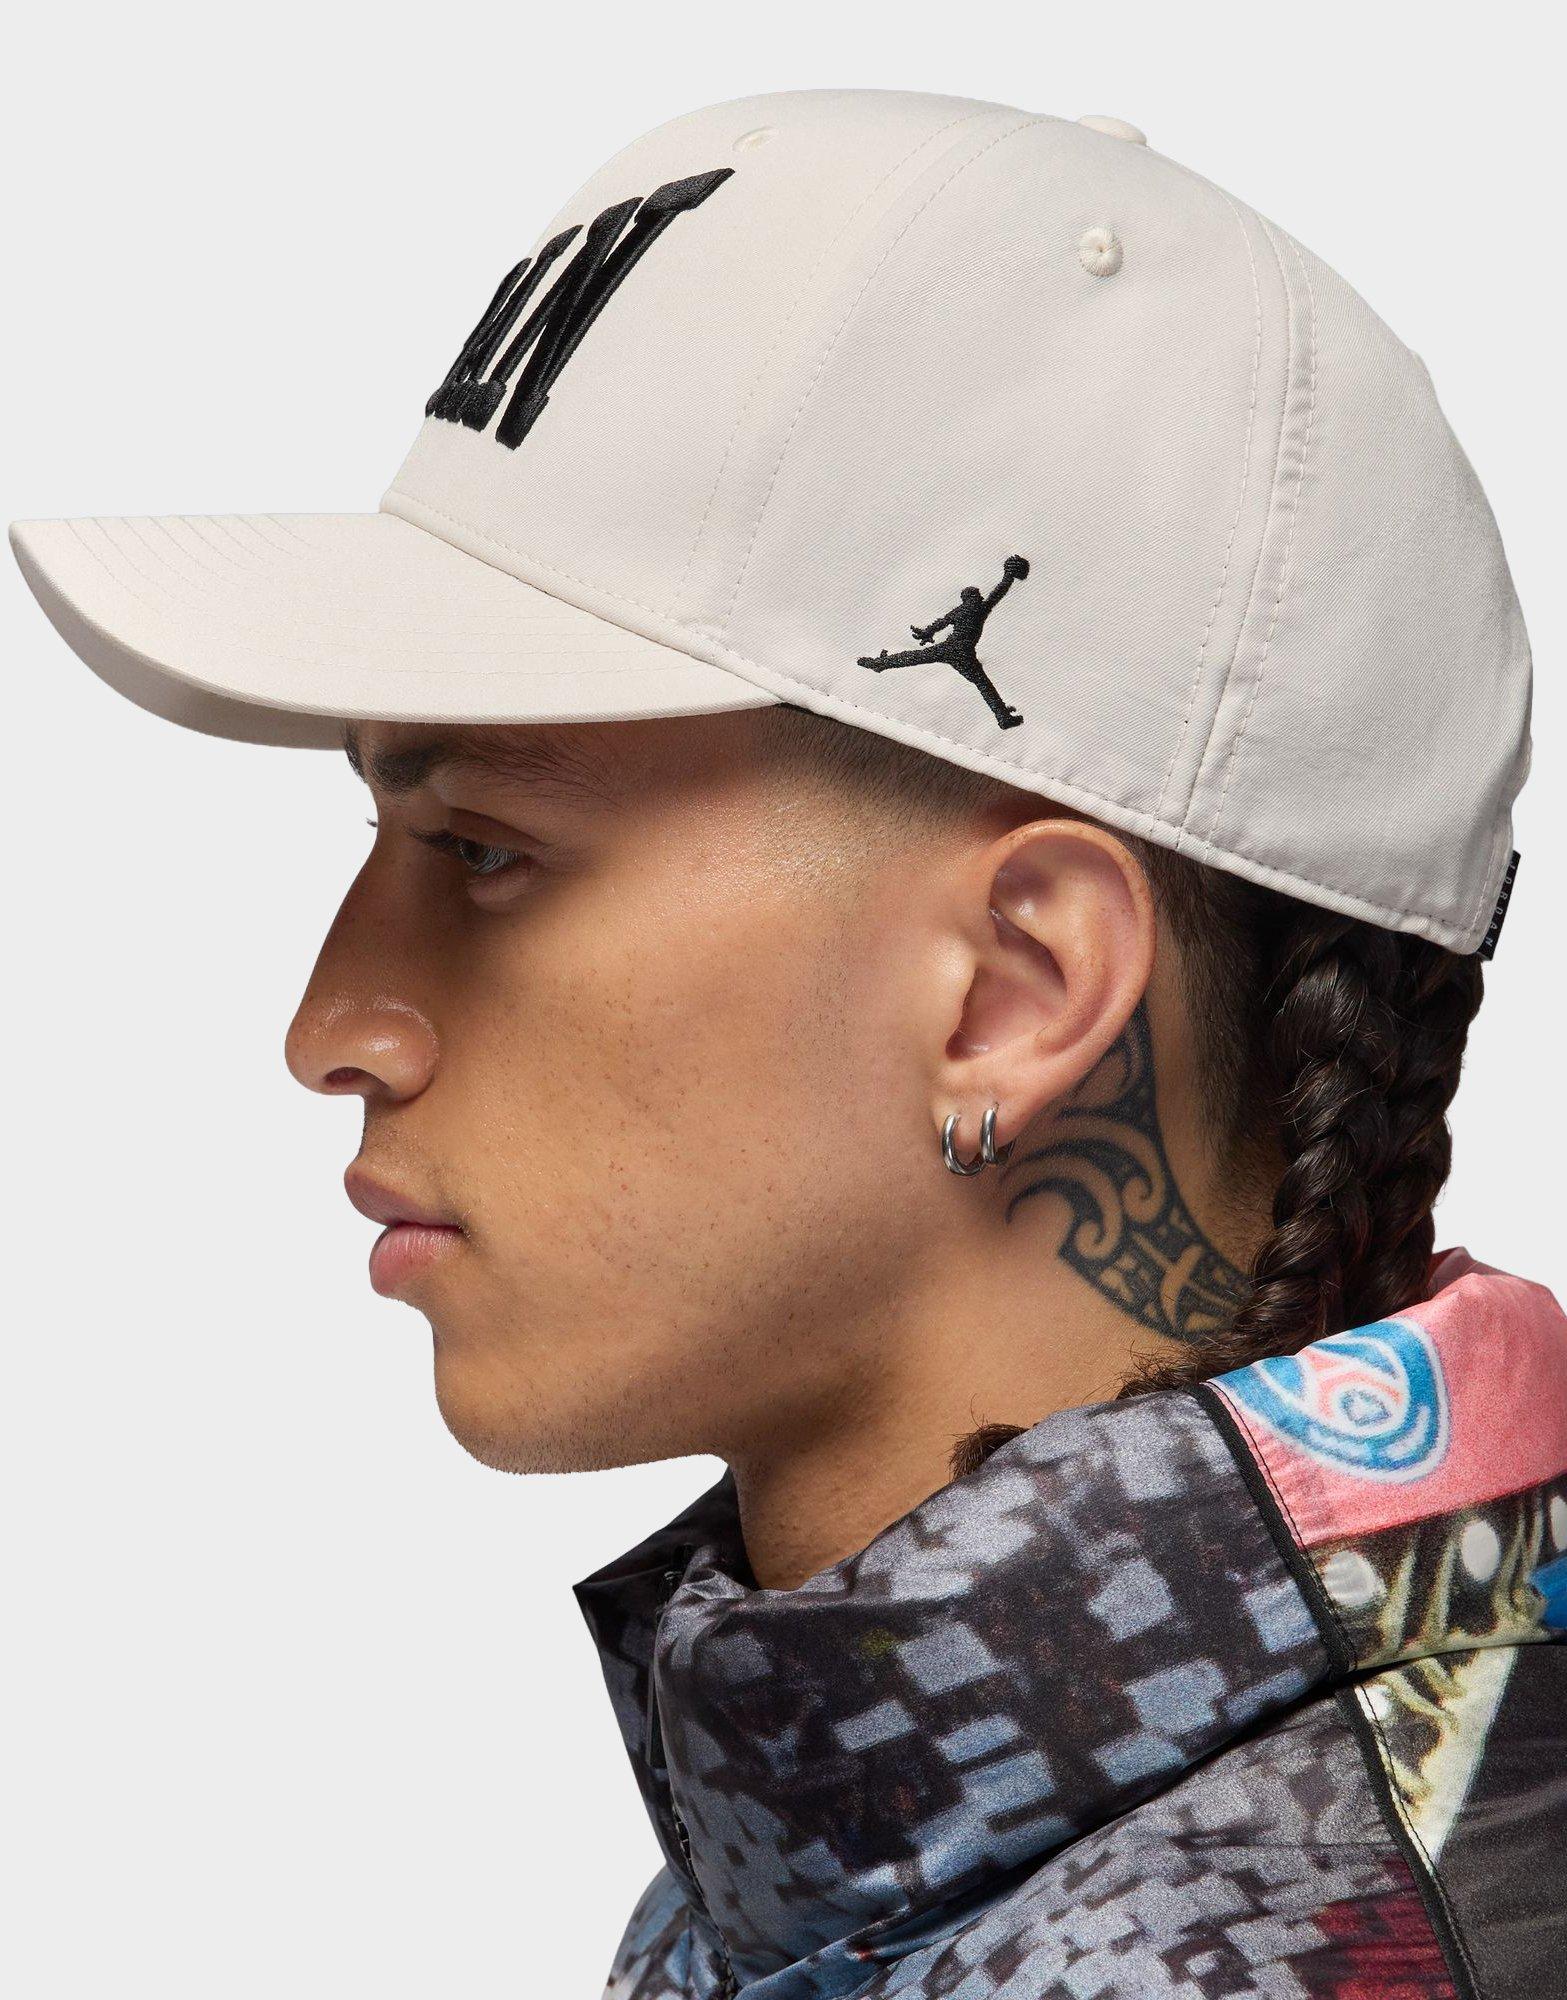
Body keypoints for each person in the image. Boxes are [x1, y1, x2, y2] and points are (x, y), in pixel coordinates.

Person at [11, 89, 1563, 2000]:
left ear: (1014, 988)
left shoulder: (1331, 1948)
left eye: (484, 851)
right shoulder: (912, 1845)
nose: (334, 1029)